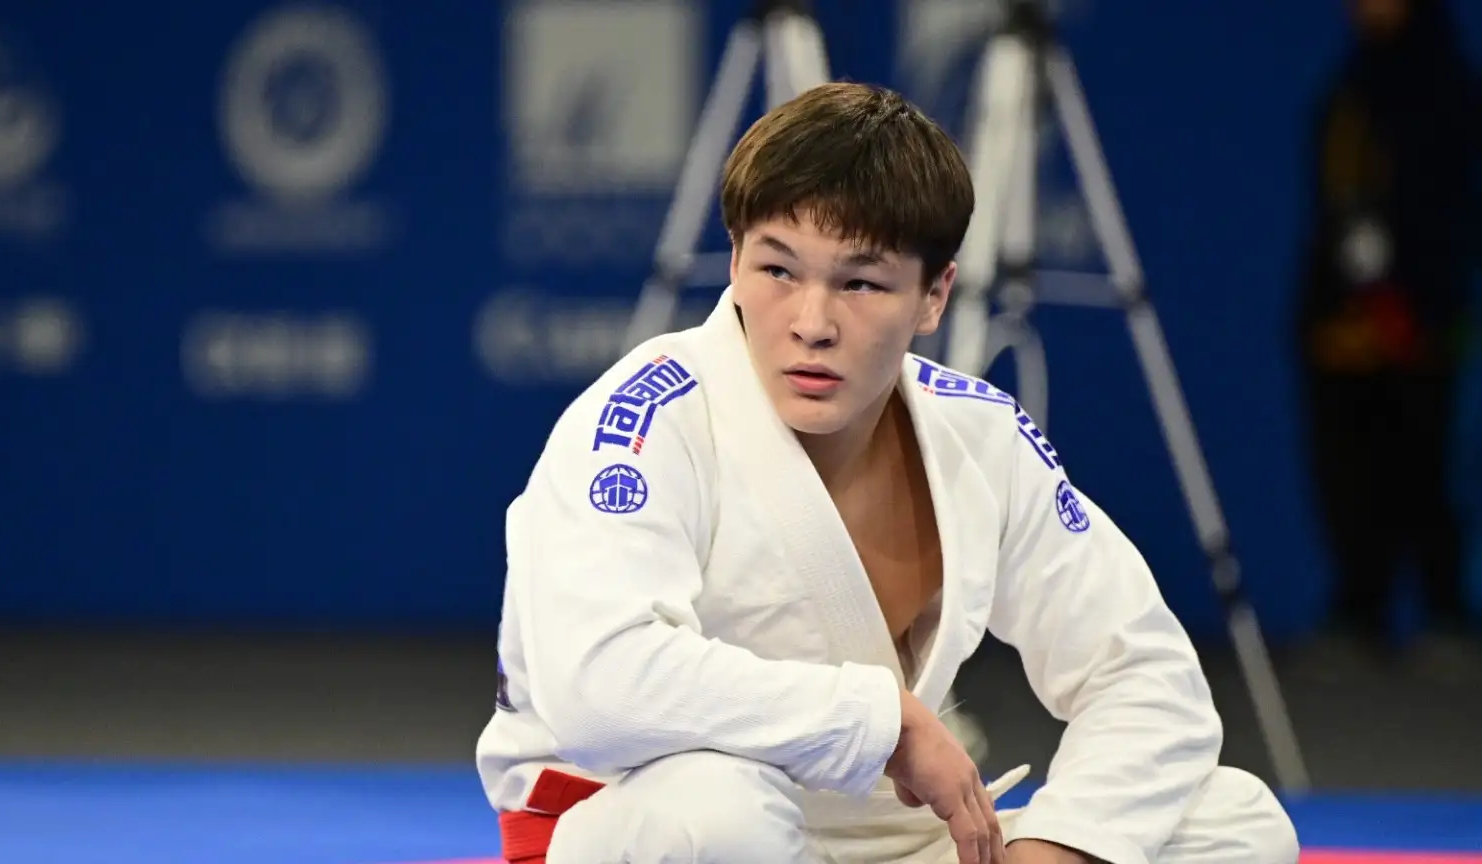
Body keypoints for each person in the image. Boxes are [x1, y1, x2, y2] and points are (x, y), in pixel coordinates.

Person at [477, 82, 1299, 864]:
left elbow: (1146, 674)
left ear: (934, 296)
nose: (811, 323)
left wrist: (1065, 845)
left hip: (890, 838)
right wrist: (883, 723)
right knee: (720, 814)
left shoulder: (977, 436)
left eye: (861, 283)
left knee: (1236, 821)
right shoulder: (641, 420)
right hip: (632, 817)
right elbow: (599, 689)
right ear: (734, 260)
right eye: (777, 270)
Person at [1293, 0, 1478, 665]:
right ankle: (1357, 608)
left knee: (1422, 464)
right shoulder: (1350, 82)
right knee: (1347, 468)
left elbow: (1449, 204)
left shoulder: (1446, 87)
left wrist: (1413, 295)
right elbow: (1334, 190)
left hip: (1420, 318)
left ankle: (1445, 611)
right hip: (1341, 317)